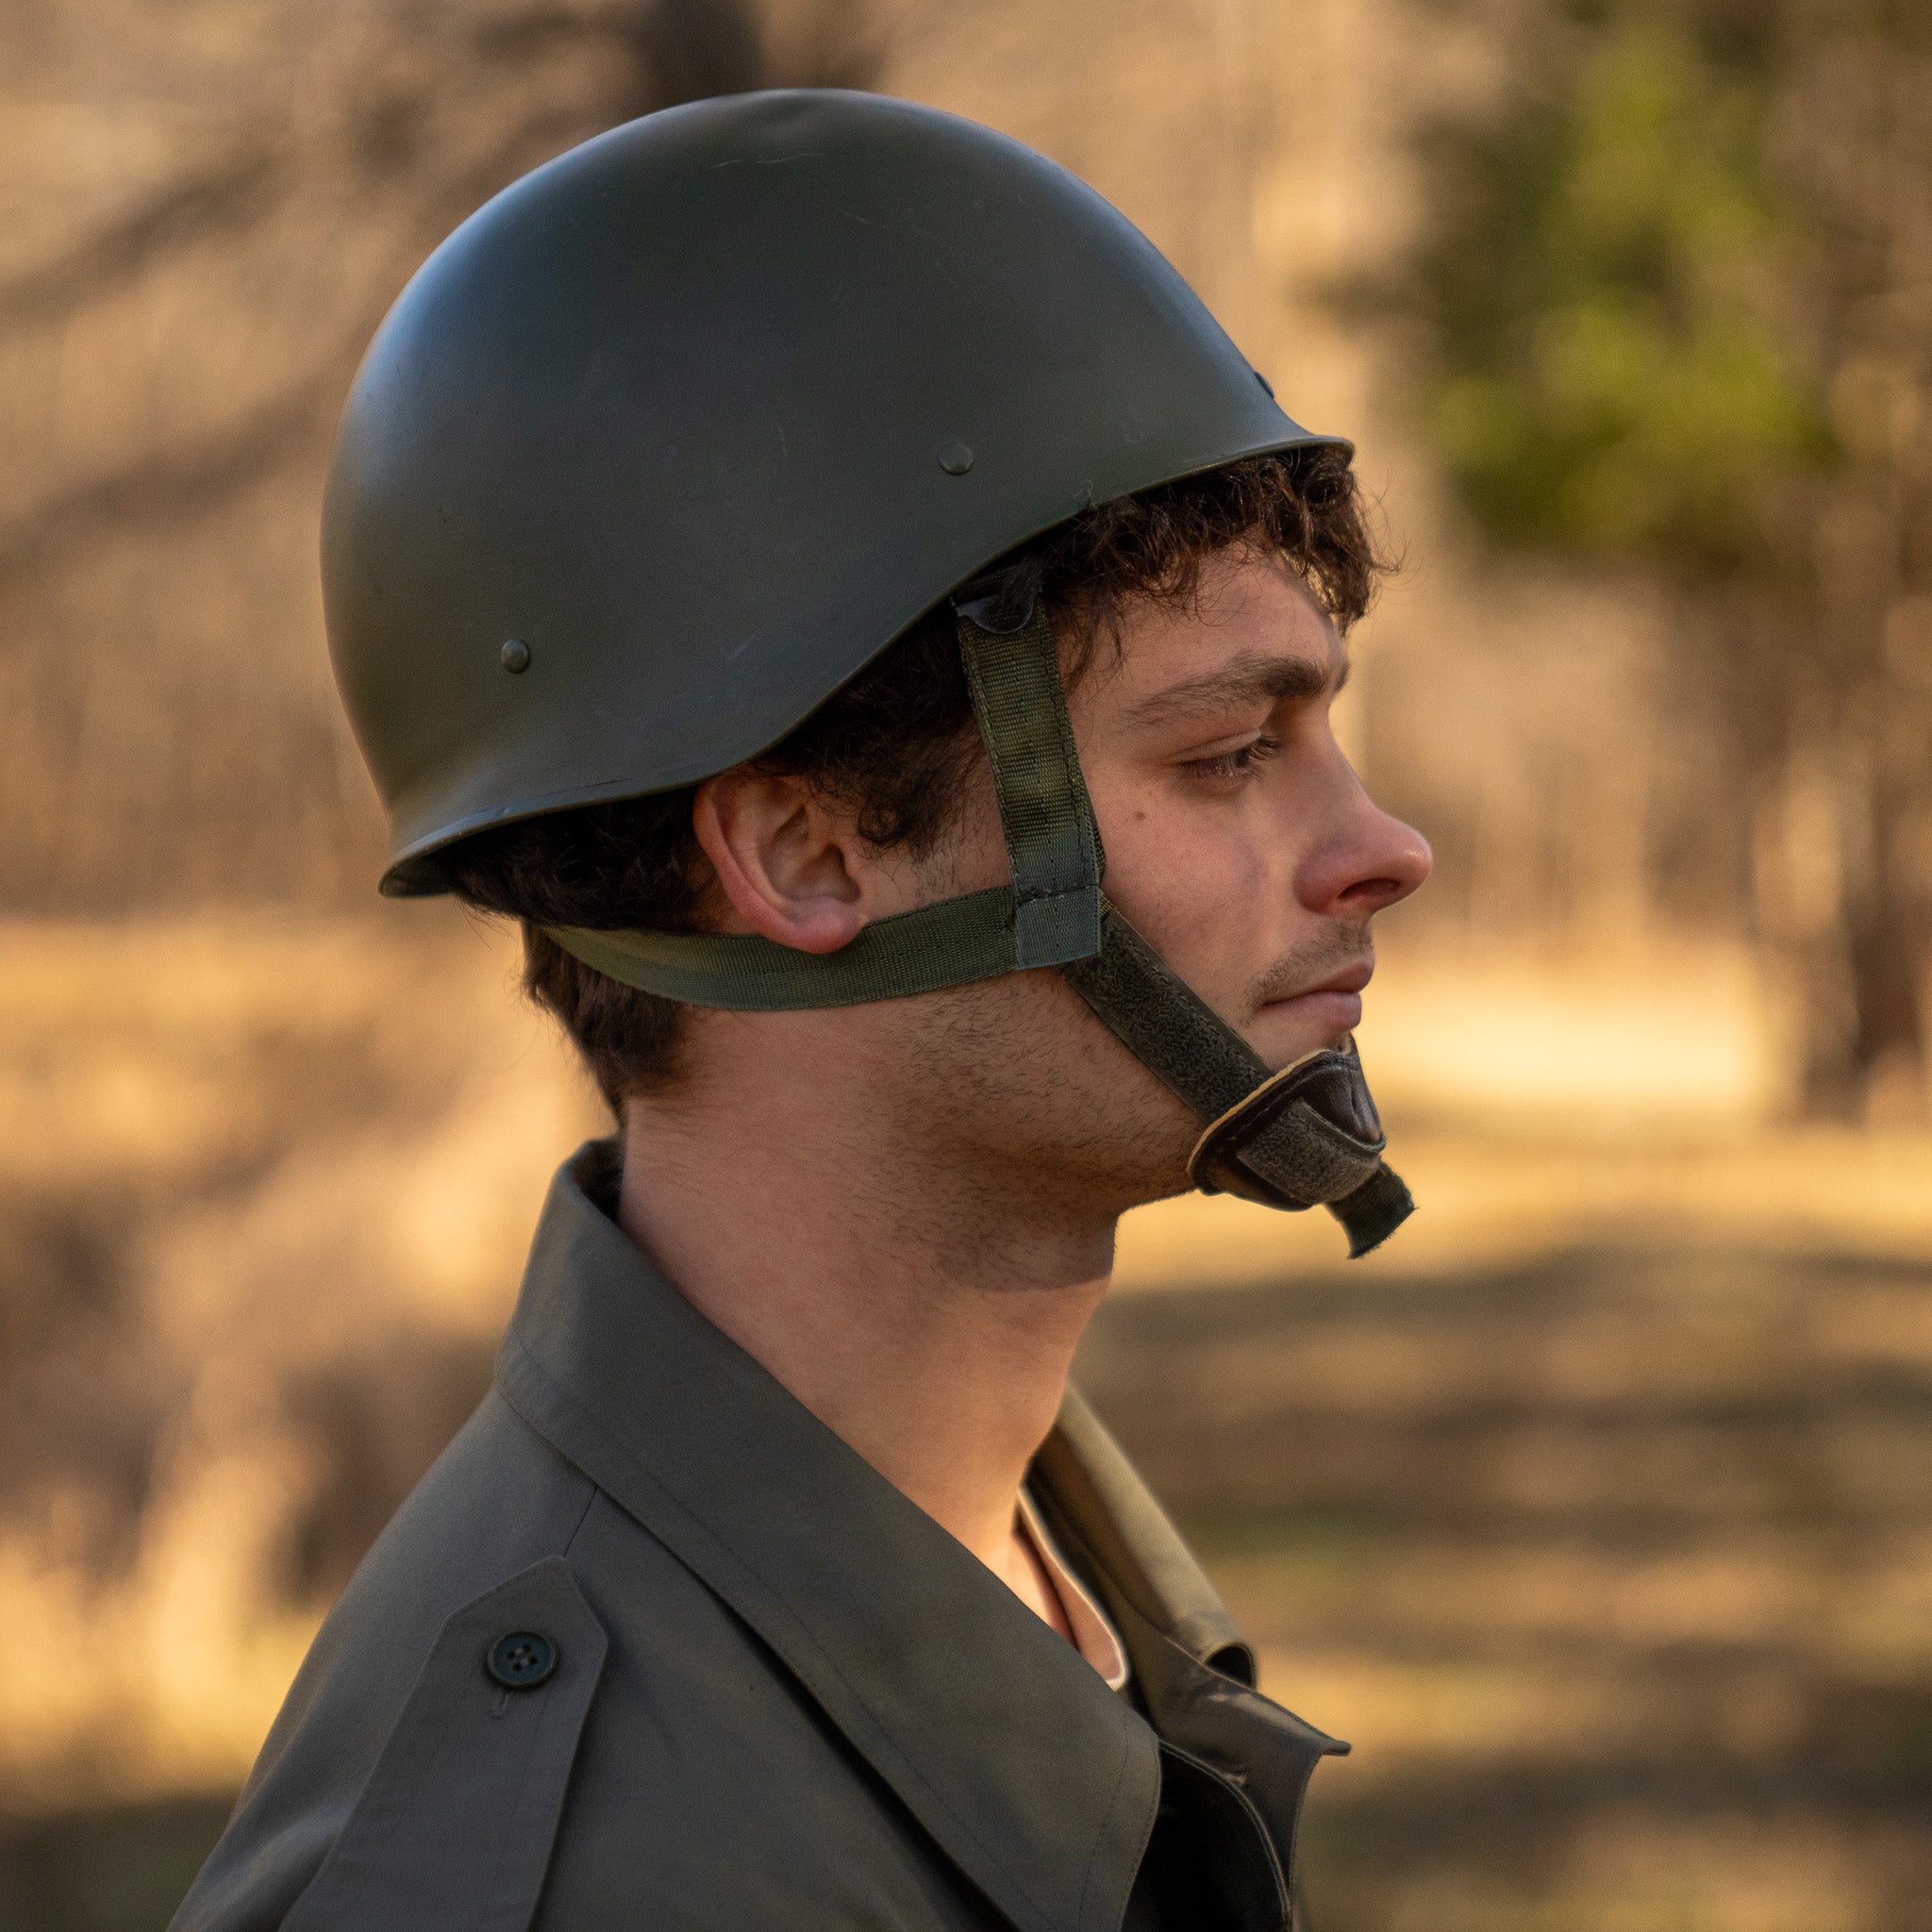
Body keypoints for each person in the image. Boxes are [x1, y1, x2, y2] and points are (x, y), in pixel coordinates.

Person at [172, 88, 1430, 1932]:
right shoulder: (598, 1873)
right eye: (1229, 752)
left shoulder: (1010, 1553)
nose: (1383, 849)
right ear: (807, 853)